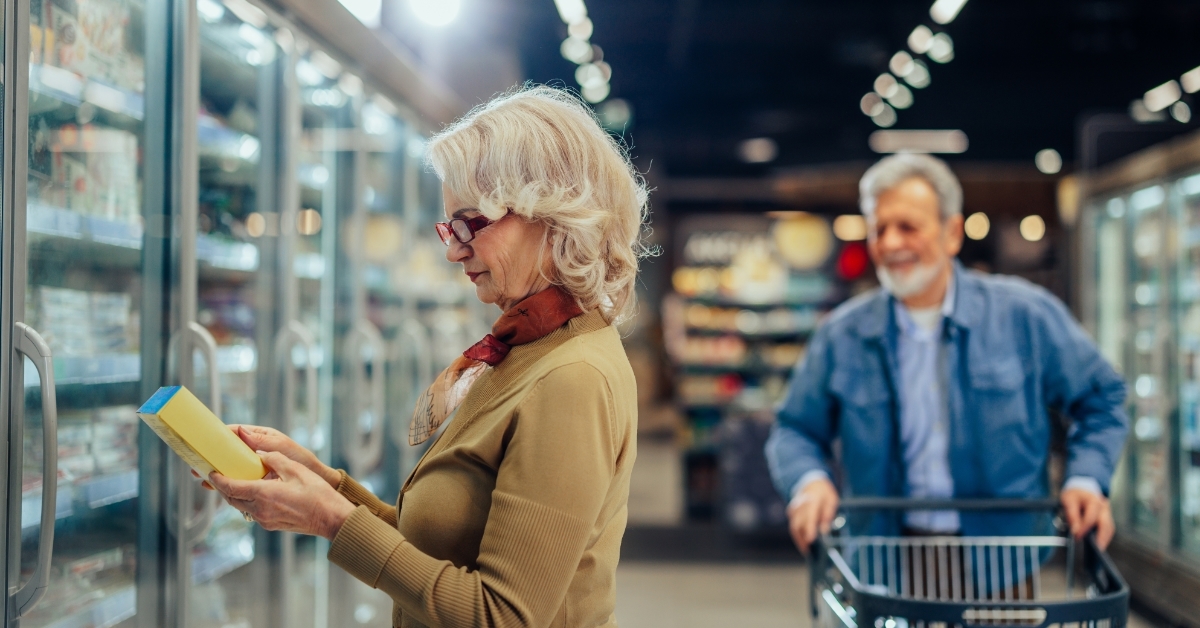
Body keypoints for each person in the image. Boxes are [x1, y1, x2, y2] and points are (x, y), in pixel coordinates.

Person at [205, 86, 650, 628]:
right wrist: (325, 485)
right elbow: (445, 551)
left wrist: (332, 521)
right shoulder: (531, 348)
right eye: (448, 227)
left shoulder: (573, 378)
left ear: (550, 214)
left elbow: (500, 616)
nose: (452, 250)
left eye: (469, 224)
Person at [765, 153, 1129, 553]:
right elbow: (794, 428)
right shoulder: (842, 335)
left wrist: (1086, 479)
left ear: (952, 233)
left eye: (907, 227)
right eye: (878, 229)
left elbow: (1102, 399)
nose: (890, 243)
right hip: (883, 562)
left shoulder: (1025, 316)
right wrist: (809, 481)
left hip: (1002, 564)